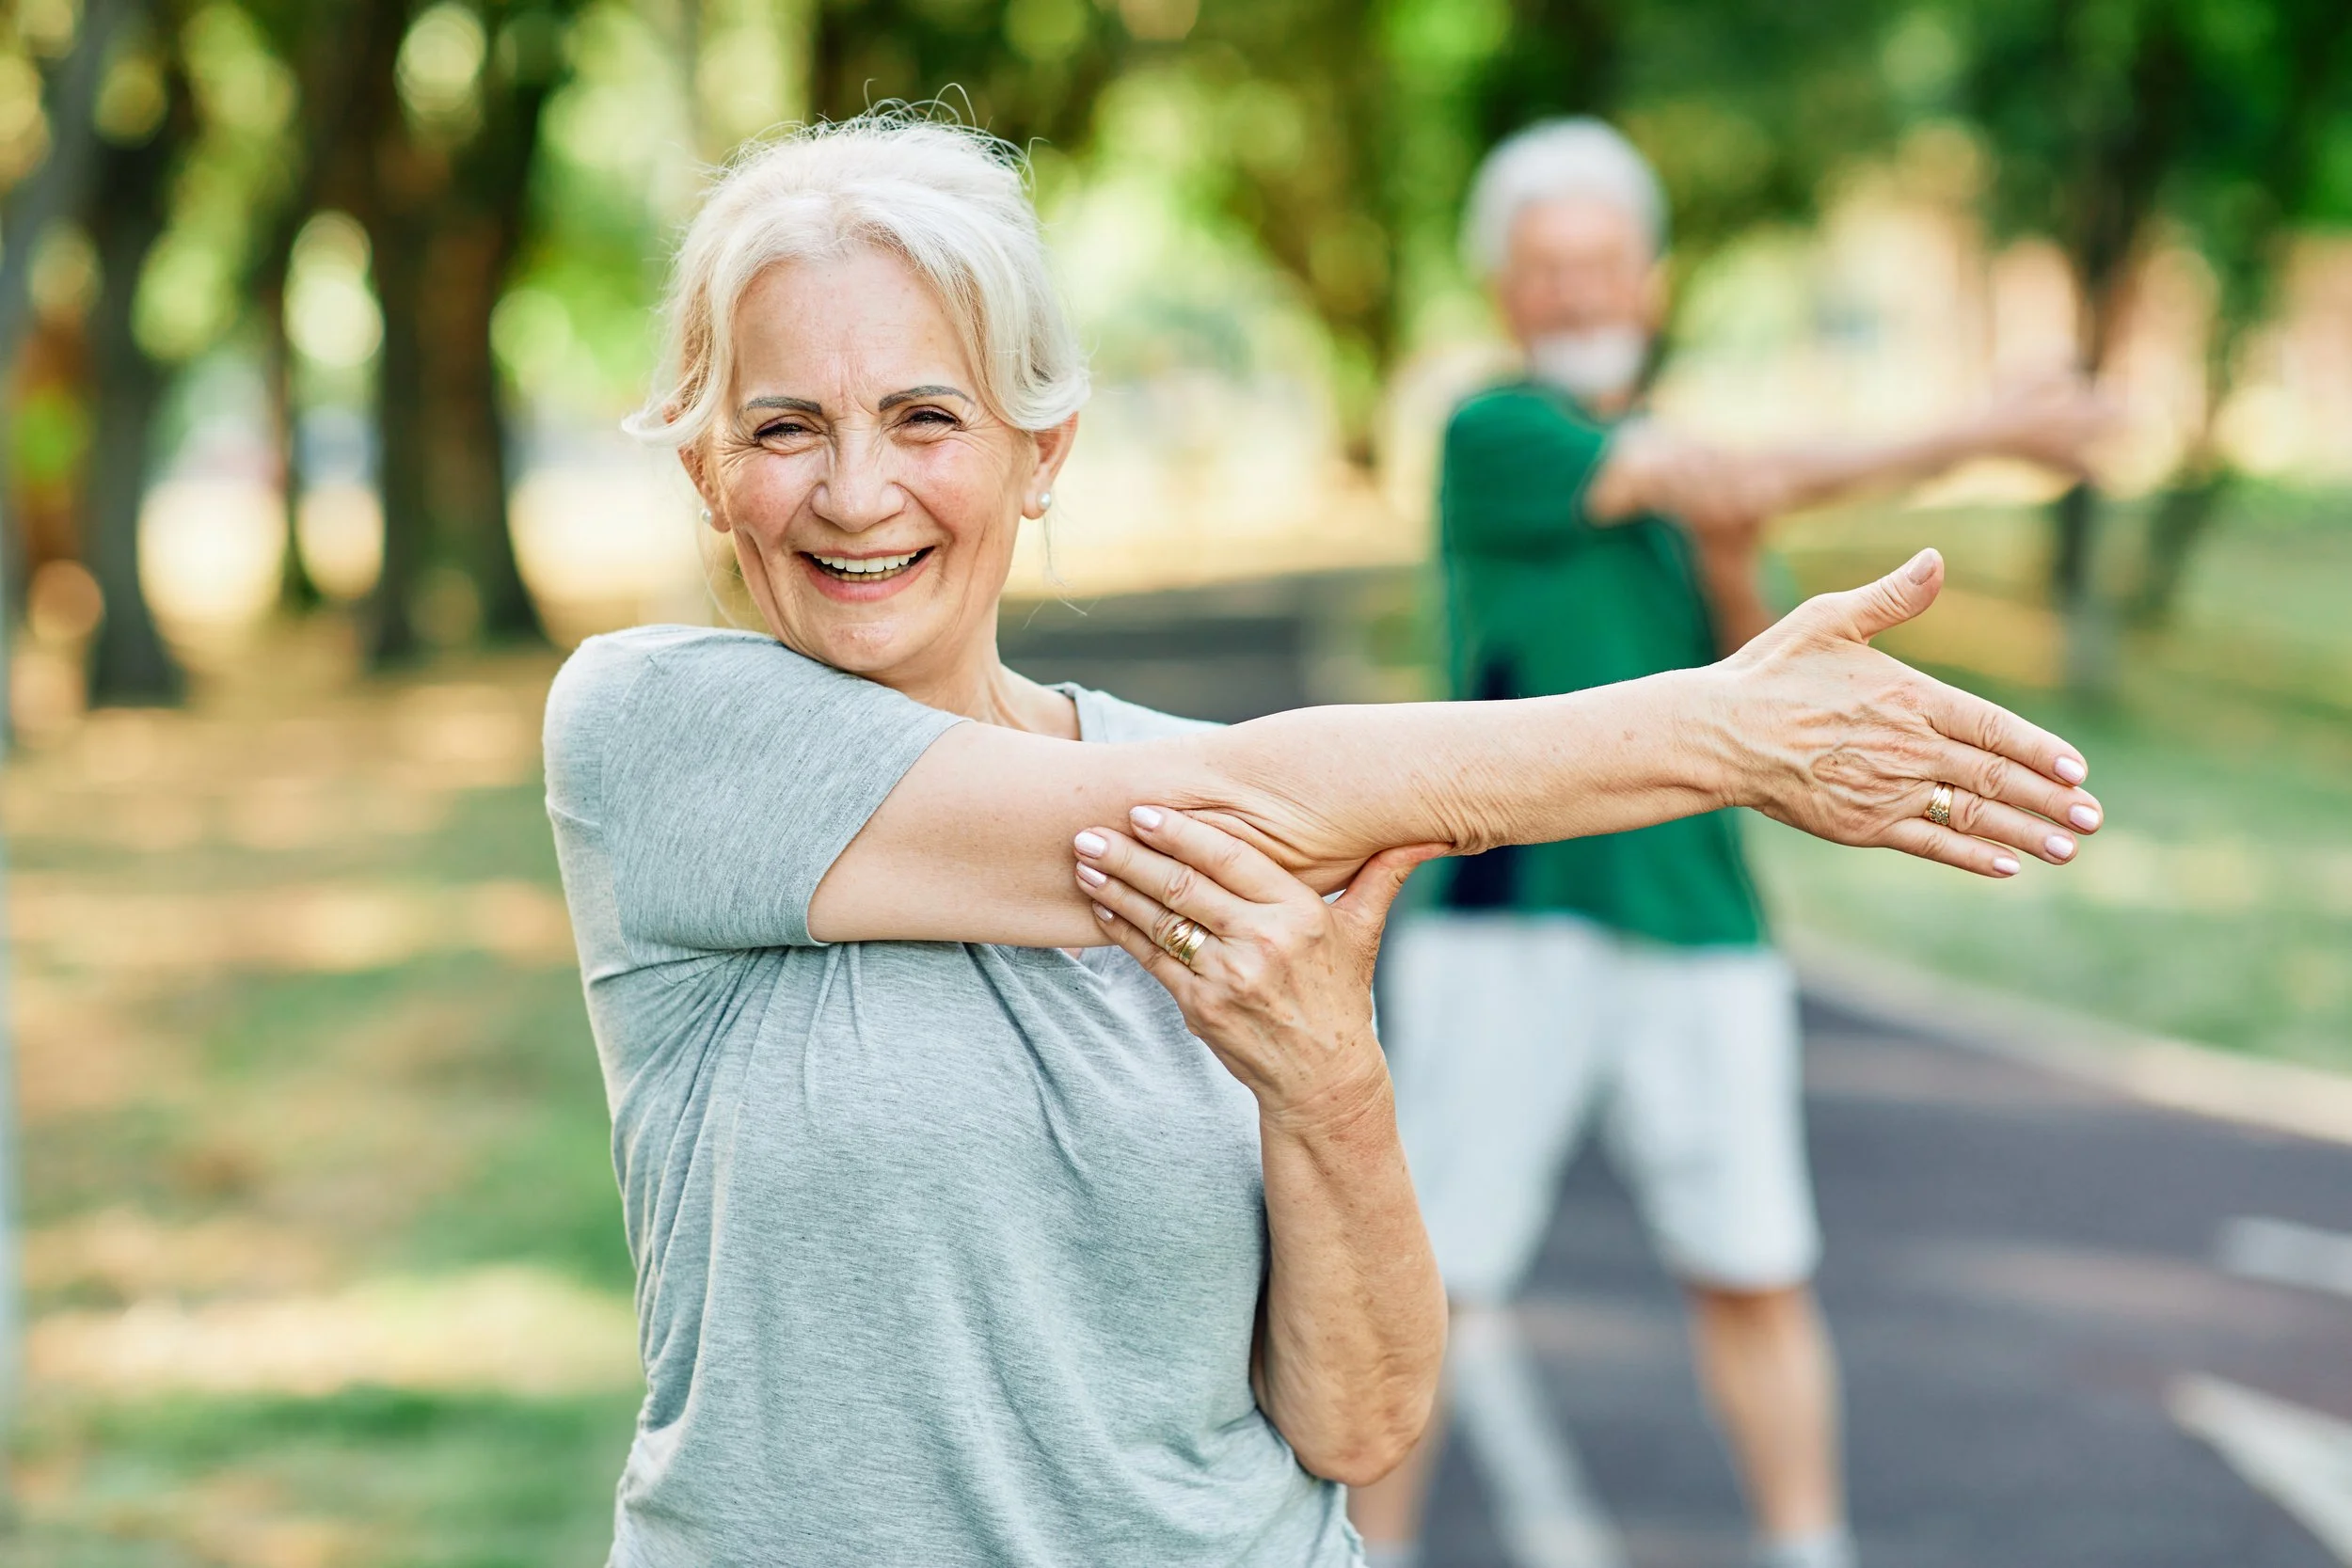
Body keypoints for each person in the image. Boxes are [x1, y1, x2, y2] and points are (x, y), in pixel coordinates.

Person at [542, 111, 2103, 1567]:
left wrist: (1331, 1081)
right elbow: (1234, 807)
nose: (856, 489)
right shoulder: (657, 731)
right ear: (707, 467)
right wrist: (1721, 734)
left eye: (925, 415)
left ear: (1044, 450)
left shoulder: (1206, 787)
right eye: (786, 426)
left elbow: (1354, 1422)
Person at [1345, 119, 2114, 1568]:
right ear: (1503, 290)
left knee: (1756, 1271)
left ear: (1651, 280)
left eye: (1601, 263)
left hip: (1700, 921)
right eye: (1545, 266)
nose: (1575, 292)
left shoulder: (1707, 478)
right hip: (1511, 916)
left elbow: (1748, 646)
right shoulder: (1494, 436)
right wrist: (1976, 433)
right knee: (1431, 1284)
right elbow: (1695, 471)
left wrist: (1730, 530)